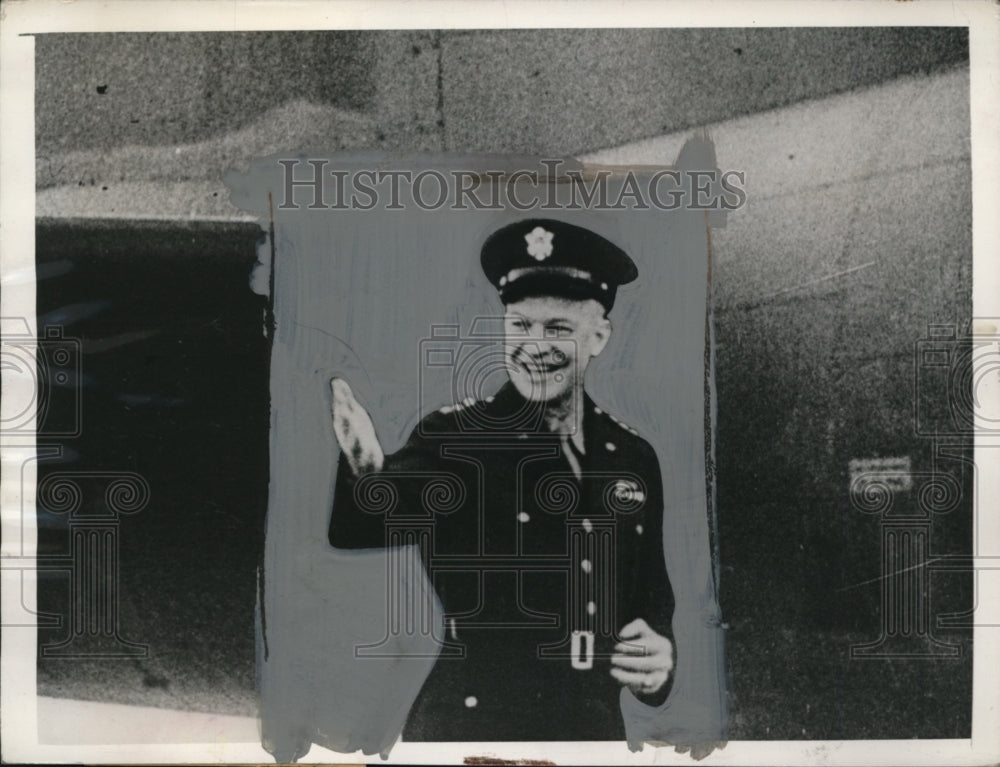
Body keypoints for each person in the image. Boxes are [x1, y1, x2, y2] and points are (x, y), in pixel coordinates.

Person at [328, 218, 675, 741]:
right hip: (474, 727)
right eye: (520, 326)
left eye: (557, 329)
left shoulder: (632, 456)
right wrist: (365, 468)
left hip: (590, 730)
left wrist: (661, 655)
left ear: (599, 337)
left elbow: (652, 596)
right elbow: (369, 522)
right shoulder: (458, 438)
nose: (535, 346)